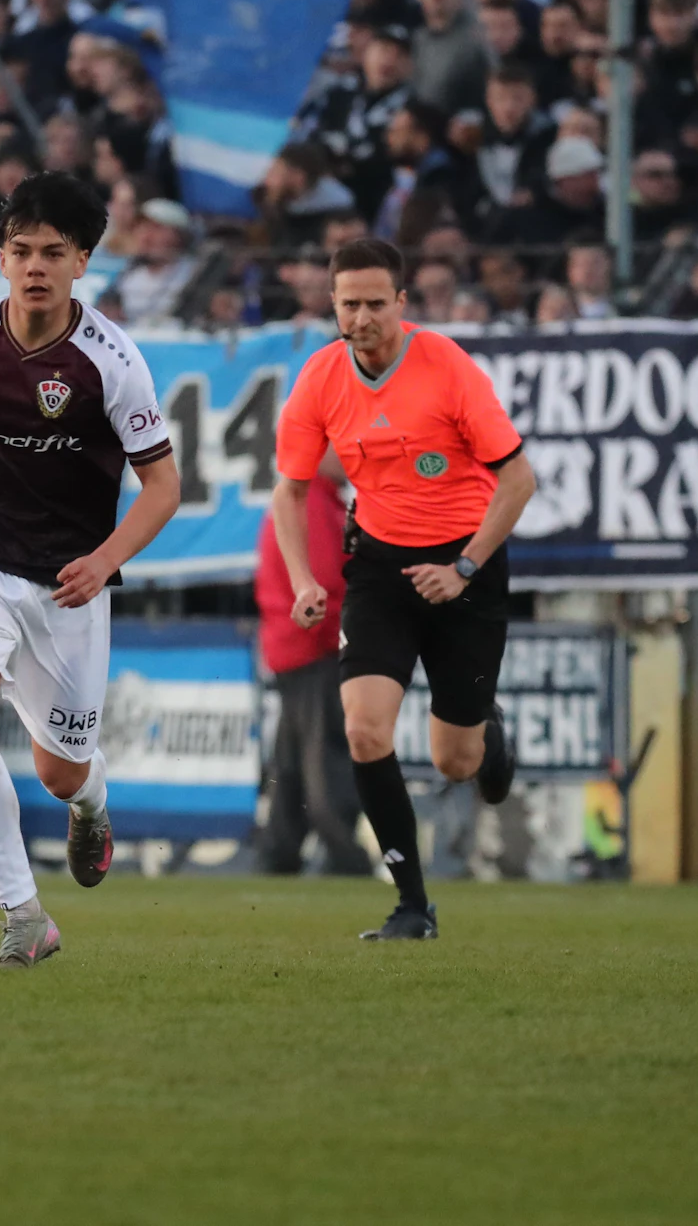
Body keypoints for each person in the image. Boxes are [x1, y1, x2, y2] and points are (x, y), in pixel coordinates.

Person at [0, 171, 181, 968]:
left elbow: (164, 484)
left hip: (65, 585)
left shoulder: (112, 362)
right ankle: (23, 913)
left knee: (58, 771)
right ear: (2, 257)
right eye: (21, 251)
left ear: (84, 260)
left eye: (54, 252)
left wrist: (106, 559)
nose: (36, 266)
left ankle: (91, 802)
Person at [270, 238, 534, 941]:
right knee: (363, 728)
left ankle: (488, 736)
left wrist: (466, 568)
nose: (362, 317)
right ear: (332, 303)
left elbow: (518, 480)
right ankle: (412, 904)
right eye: (349, 303)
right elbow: (289, 492)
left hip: (465, 569)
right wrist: (303, 580)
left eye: (376, 304)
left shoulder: (446, 365)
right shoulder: (321, 376)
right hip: (382, 569)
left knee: (457, 760)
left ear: (403, 305)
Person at [255, 448, 374, 876]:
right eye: (342, 449)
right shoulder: (316, 504)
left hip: (290, 645)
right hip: (315, 647)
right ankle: (345, 855)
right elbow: (325, 585)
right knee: (326, 759)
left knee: (291, 760)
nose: (351, 458)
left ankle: (279, 851)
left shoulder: (301, 501)